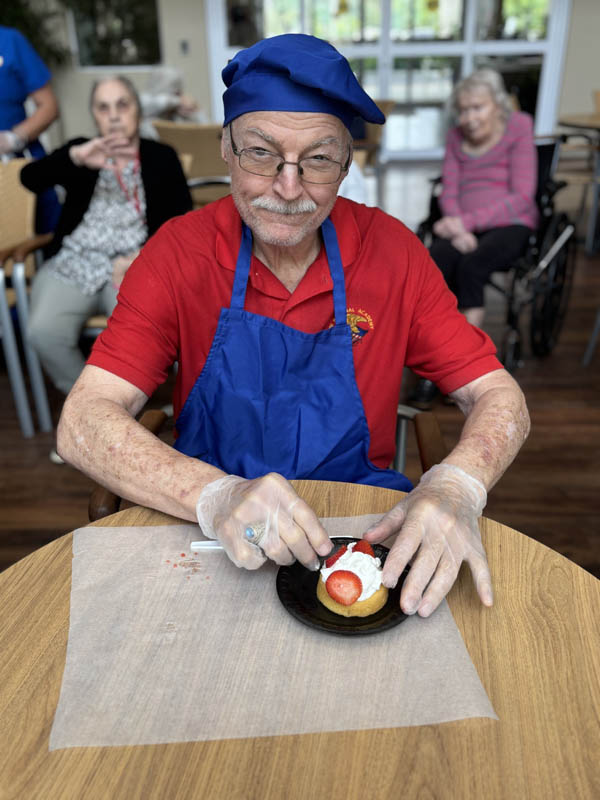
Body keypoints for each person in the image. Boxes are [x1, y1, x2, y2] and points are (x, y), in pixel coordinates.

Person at [57, 35, 530, 619]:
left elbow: (500, 395)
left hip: (358, 539)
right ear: (224, 148)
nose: (288, 187)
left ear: (347, 165)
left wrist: (459, 483)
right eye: (260, 153)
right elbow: (81, 421)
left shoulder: (394, 254)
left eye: (319, 160)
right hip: (206, 535)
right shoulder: (177, 253)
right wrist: (216, 495)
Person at [20, 75, 192, 411]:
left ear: (137, 112)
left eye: (122, 105)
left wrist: (144, 257)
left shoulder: (160, 156)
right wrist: (76, 157)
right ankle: (97, 414)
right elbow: (30, 179)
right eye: (103, 107)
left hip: (133, 266)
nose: (113, 115)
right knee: (43, 332)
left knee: (140, 340)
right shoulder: (83, 149)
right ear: (95, 116)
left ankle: (118, 416)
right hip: (74, 262)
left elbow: (182, 222)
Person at [410, 68, 538, 409]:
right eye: (463, 110)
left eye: (477, 107)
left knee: (473, 265)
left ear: (497, 105)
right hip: (459, 225)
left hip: (510, 223)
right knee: (435, 262)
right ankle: (429, 363)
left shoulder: (519, 128)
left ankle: (463, 368)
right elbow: (449, 190)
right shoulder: (455, 137)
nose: (468, 118)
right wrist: (456, 226)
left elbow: (524, 196)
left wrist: (466, 222)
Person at [0, 25, 61, 233]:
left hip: (18, 167)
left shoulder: (9, 41)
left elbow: (49, 106)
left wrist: (12, 139)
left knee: (42, 237)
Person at [139, 65, 208, 139]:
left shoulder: (177, 111)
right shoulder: (146, 100)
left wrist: (196, 110)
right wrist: (178, 101)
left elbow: (206, 129)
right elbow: (160, 102)